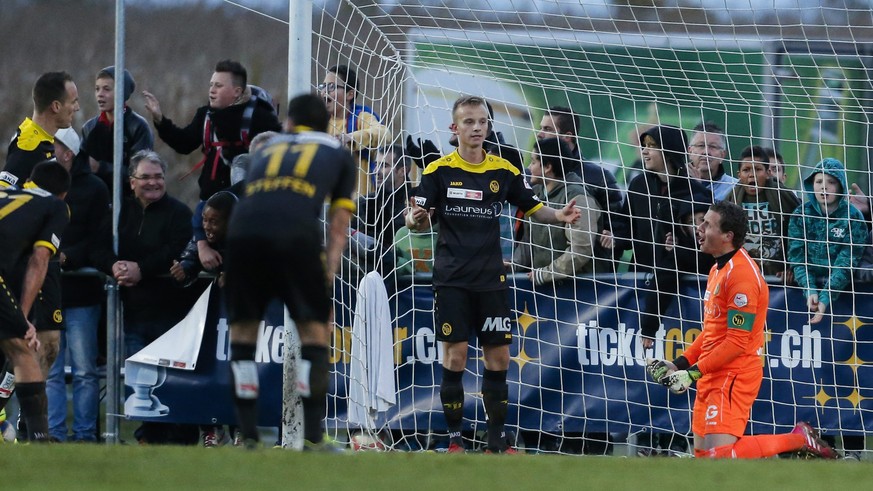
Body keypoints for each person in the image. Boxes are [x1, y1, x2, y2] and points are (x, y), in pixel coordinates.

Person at [406, 95, 581, 454]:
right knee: (455, 357)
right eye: (468, 122)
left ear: (488, 126)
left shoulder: (504, 170)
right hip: (452, 279)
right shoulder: (438, 171)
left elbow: (533, 208)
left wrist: (558, 216)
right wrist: (415, 219)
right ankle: (454, 439)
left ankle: (496, 441)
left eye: (482, 122)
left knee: (498, 358)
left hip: (491, 280)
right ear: (455, 128)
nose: (476, 128)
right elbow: (415, 215)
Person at [646, 200, 837, 459]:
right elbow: (712, 330)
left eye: (707, 224)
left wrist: (691, 374)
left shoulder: (741, 277)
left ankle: (798, 440)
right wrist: (681, 364)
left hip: (734, 373)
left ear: (728, 236)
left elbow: (736, 343)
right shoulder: (717, 268)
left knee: (720, 456)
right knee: (704, 457)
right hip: (712, 370)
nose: (699, 228)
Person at [223, 93, 357, 450]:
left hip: (242, 234)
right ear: (326, 123)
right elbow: (339, 223)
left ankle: (248, 436)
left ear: (289, 123)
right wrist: (328, 271)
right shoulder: (340, 154)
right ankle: (313, 436)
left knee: (243, 336)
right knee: (314, 334)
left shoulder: (264, 151)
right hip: (296, 234)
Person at [93, 150, 198, 444]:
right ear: (131, 182)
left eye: (158, 177)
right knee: (140, 379)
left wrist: (143, 269)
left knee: (173, 379)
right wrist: (113, 266)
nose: (153, 183)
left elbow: (180, 248)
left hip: (171, 315)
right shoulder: (117, 213)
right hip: (133, 314)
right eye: (146, 177)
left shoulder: (178, 213)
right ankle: (148, 437)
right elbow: (97, 248)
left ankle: (183, 438)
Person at [45, 128, 110, 442]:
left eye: (54, 147)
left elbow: (100, 237)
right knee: (52, 370)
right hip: (50, 293)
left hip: (83, 295)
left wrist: (69, 255)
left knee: (85, 371)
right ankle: (55, 433)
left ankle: (84, 435)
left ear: (67, 152)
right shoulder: (43, 185)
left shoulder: (95, 189)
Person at [0, 160, 71, 442]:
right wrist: (24, 319)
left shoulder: (8, 192)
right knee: (22, 349)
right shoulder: (55, 207)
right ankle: (40, 437)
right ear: (63, 194)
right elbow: (40, 259)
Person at [142, 59, 281, 200]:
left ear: (237, 91)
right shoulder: (206, 115)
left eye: (219, 86)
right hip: (209, 201)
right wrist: (160, 120)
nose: (212, 90)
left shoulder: (259, 117)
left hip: (243, 202)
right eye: (211, 85)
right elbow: (184, 144)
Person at [170, 190, 237, 447]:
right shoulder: (202, 241)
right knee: (207, 374)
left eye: (214, 221)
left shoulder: (247, 237)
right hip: (210, 326)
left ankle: (240, 428)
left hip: (245, 324)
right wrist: (183, 272)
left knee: (240, 373)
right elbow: (189, 261)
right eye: (205, 220)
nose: (207, 226)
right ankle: (210, 429)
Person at [536, 106, 623, 272]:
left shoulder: (599, 178)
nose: (540, 134)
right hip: (539, 277)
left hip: (585, 282)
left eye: (547, 129)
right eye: (540, 128)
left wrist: (613, 239)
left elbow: (619, 227)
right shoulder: (534, 176)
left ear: (567, 137)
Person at [787, 158, 868, 324]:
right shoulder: (800, 215)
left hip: (847, 296)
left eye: (831, 182)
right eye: (818, 181)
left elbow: (846, 263)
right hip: (804, 293)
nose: (824, 187)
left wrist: (825, 298)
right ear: (812, 185)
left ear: (841, 185)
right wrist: (809, 290)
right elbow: (797, 257)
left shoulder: (853, 217)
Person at [512, 137, 601, 284]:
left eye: (533, 162)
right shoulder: (535, 193)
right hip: (545, 287)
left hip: (578, 291)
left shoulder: (578, 198)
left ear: (547, 167)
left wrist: (546, 274)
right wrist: (513, 265)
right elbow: (529, 242)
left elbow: (580, 251)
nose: (529, 167)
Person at [726, 146, 800, 281]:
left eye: (757, 169)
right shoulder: (730, 201)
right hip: (743, 276)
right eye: (746, 170)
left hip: (778, 277)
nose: (751, 174)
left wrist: (794, 266)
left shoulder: (784, 197)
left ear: (768, 173)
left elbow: (801, 233)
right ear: (739, 175)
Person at [81, 66, 154, 195]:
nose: (100, 94)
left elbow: (140, 174)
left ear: (122, 92)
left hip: (129, 201)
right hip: (95, 200)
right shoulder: (89, 127)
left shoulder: (138, 127)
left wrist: (100, 168)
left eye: (107, 89)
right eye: (97, 89)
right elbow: (79, 167)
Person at [319, 64, 390, 195]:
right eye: (323, 86)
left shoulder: (360, 118)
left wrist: (352, 138)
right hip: (323, 205)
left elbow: (385, 133)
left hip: (358, 205)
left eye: (331, 87)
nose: (325, 91)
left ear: (350, 94)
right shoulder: (318, 123)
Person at [5, 71, 80, 181]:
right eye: (73, 102)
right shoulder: (28, 145)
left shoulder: (42, 139)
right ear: (56, 106)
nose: (77, 108)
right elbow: (4, 190)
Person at [349, 144, 411, 276]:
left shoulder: (415, 203)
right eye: (376, 164)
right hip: (364, 276)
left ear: (402, 171)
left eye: (384, 166)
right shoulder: (363, 204)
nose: (376, 171)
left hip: (402, 278)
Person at [686, 122, 737, 202]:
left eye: (713, 146)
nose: (706, 152)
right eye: (701, 146)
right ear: (690, 151)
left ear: (722, 155)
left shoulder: (734, 187)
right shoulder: (675, 181)